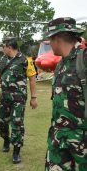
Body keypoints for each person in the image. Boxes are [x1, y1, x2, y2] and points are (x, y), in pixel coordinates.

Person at [44, 17, 87, 170]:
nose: (49, 43)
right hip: (58, 139)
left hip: (82, 142)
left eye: (50, 39)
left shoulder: (83, 59)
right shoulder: (61, 64)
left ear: (57, 38)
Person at [0, 37, 38, 164]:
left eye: (3, 46)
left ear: (9, 47)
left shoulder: (26, 60)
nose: (2, 49)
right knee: (1, 121)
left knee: (17, 123)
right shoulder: (3, 60)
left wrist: (33, 98)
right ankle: (6, 139)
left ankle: (16, 151)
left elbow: (32, 79)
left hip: (19, 98)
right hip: (4, 97)